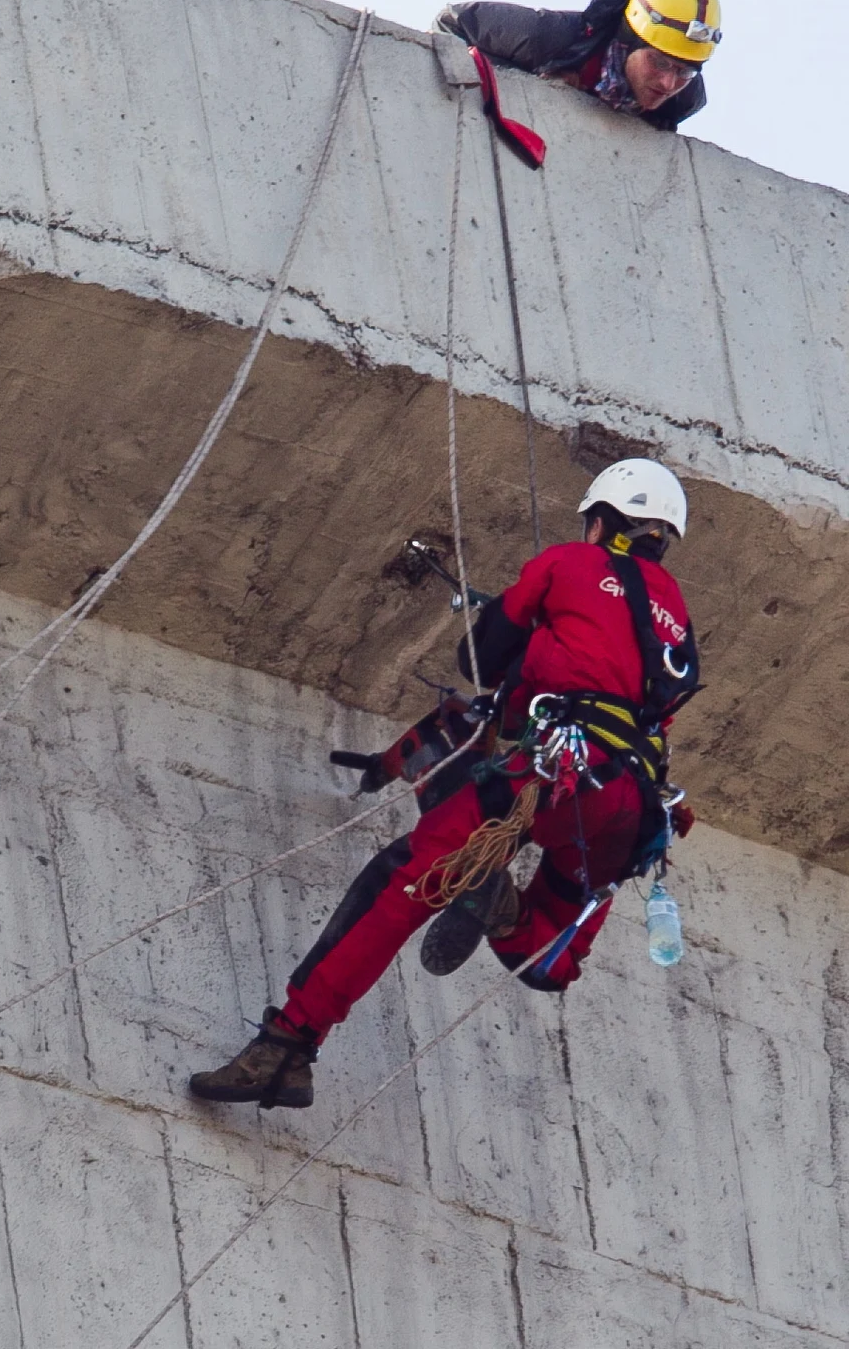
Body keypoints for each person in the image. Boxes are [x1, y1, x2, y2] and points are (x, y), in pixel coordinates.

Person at [188, 459, 700, 1111]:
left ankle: (287, 1046)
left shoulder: (569, 561)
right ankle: (506, 909)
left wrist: (528, 639)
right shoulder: (678, 619)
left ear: (601, 521)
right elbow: (642, 705)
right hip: (630, 808)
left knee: (408, 879)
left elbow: (479, 664)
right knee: (550, 962)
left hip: (555, 770)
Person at [435, 0, 721, 131]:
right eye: (658, 62)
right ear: (627, 40)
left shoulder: (684, 99)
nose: (668, 84)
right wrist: (524, 87)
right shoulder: (553, 38)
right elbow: (452, 22)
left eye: (685, 70)